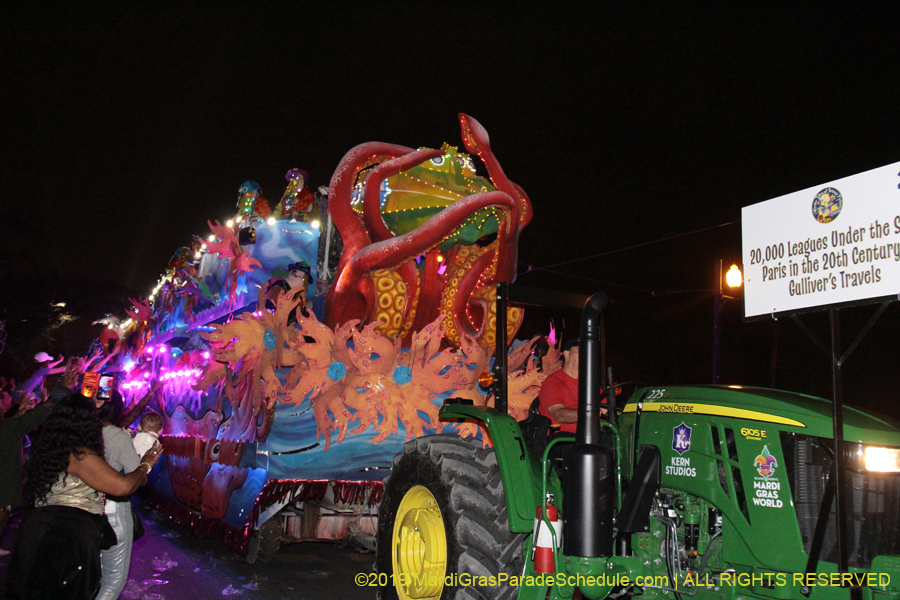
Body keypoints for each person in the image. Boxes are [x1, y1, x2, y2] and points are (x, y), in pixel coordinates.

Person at [6, 393, 162, 600]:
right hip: (68, 535)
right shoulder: (80, 456)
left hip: (40, 529)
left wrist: (88, 402)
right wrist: (146, 463)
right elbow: (123, 487)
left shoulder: (49, 447)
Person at [95, 394, 142, 600]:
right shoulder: (118, 436)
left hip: (84, 509)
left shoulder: (78, 432)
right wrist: (146, 461)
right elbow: (135, 476)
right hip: (112, 508)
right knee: (113, 579)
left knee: (90, 573)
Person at [537, 338, 581, 434]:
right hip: (562, 439)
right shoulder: (553, 382)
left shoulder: (593, 387)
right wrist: (591, 412)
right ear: (566, 354)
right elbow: (559, 414)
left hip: (593, 439)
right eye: (580, 350)